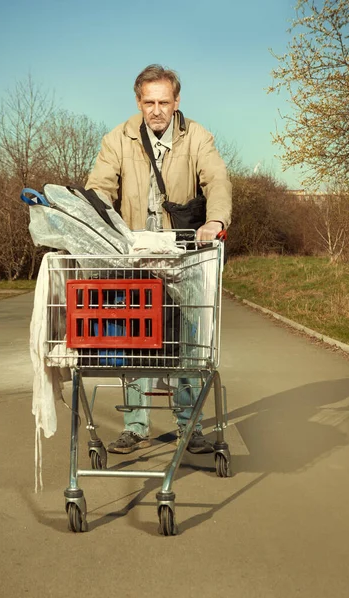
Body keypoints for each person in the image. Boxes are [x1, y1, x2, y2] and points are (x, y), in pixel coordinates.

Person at [85, 64, 232, 455]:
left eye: (163, 102)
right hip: (136, 255)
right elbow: (100, 186)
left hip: (183, 255)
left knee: (189, 340)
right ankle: (136, 425)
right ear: (138, 102)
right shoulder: (118, 138)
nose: (156, 110)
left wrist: (215, 219)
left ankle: (190, 426)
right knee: (135, 338)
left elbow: (216, 179)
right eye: (148, 102)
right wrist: (97, 219)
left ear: (176, 102)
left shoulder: (197, 136)